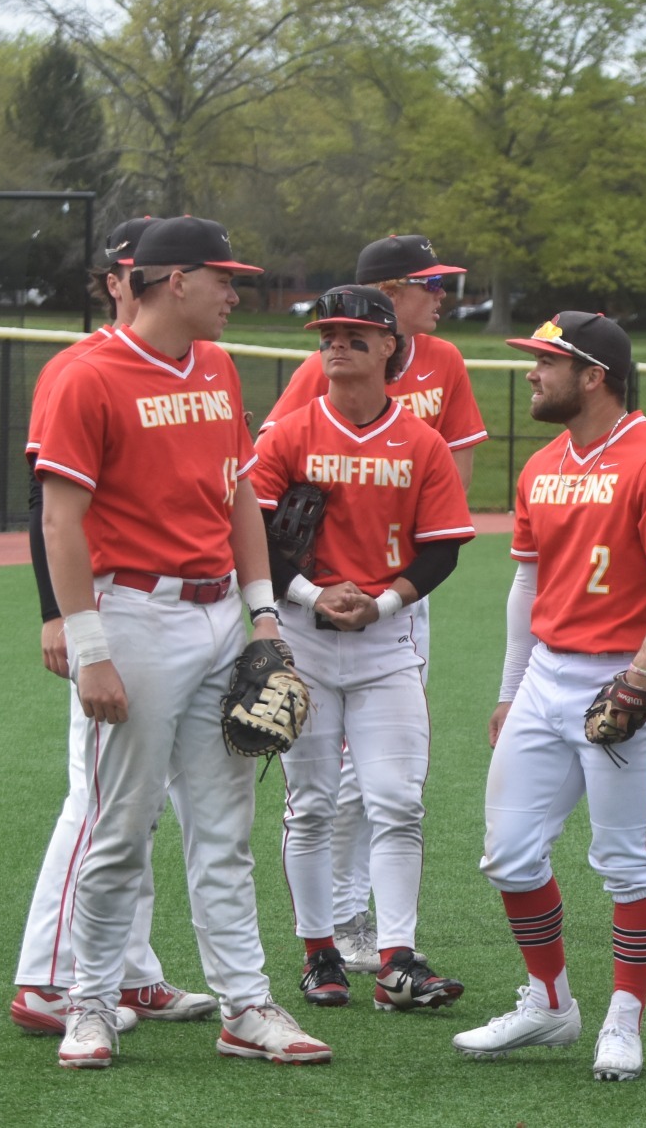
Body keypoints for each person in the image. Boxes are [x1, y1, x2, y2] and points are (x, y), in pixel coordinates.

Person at [36, 215, 330, 1068]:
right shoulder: (84, 374)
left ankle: (247, 1004)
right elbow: (61, 517)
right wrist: (90, 646)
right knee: (119, 824)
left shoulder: (217, 364)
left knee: (224, 826)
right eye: (224, 279)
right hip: (131, 615)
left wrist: (264, 614)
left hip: (215, 620)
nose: (236, 293)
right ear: (174, 281)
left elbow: (241, 497)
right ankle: (89, 1000)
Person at [454, 313, 646, 1082]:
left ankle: (623, 1019)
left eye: (546, 361)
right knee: (509, 852)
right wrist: (509, 688)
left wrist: (643, 674)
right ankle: (551, 1001)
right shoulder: (541, 466)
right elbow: (526, 581)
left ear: (593, 375)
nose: (531, 373)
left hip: (621, 677)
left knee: (626, 863)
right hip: (545, 676)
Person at [12, 217, 218, 1035]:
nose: (121, 277)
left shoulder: (193, 366)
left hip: (169, 613)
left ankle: (129, 972)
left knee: (137, 808)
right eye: (121, 266)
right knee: (98, 804)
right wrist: (60, 616)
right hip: (110, 604)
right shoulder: (84, 370)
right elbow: (49, 507)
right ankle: (45, 978)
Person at [262, 233, 486, 973]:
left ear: (385, 339)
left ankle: (389, 944)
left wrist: (392, 591)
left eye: (351, 337)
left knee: (390, 790)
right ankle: (328, 937)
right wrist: (302, 590)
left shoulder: (436, 381)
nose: (337, 347)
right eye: (329, 337)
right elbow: (261, 513)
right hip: (307, 614)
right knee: (315, 796)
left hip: (393, 607)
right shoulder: (302, 406)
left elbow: (446, 522)